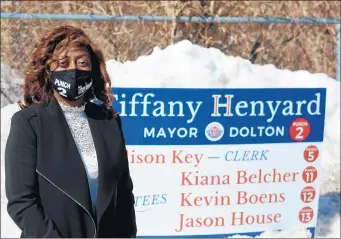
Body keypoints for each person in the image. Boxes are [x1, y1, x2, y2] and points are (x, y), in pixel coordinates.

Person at [5, 25, 137, 238]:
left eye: (82, 63)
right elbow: (22, 202)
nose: (73, 69)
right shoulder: (29, 123)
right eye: (63, 63)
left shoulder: (108, 121)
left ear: (93, 70)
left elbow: (122, 194)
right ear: (49, 70)